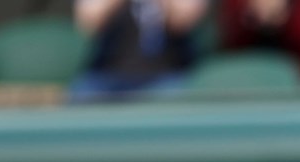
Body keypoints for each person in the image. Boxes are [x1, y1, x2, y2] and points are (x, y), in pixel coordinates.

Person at [70, 0, 209, 102]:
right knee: (80, 97)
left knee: (173, 100)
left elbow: (181, 21)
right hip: (107, 74)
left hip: (166, 74)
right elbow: (89, 24)